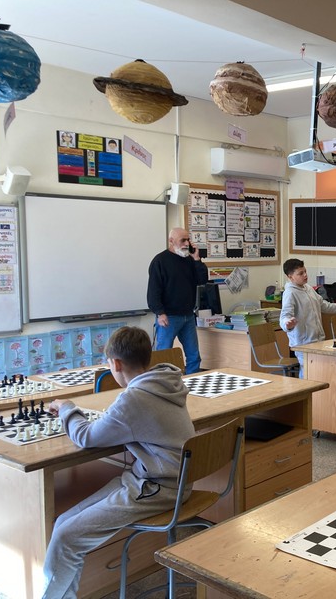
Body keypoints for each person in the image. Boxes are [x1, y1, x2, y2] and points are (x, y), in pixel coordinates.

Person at [42, 327, 194, 599]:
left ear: (116, 364)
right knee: (62, 522)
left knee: (66, 538)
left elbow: (86, 436)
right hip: (164, 480)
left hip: (160, 488)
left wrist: (67, 409)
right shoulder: (164, 382)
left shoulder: (135, 398)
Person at [147, 227, 208, 374]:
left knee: (194, 356)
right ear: (171, 241)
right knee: (163, 357)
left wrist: (197, 259)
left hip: (188, 315)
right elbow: (153, 291)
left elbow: (202, 280)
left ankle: (193, 383)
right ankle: (162, 383)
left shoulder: (189, 260)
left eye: (188, 240)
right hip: (168, 317)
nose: (187, 243)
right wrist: (160, 313)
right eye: (183, 240)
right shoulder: (160, 261)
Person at [280, 259, 336, 378]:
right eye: (300, 273)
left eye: (305, 271)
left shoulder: (308, 288)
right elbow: (285, 316)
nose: (305, 275)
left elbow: (324, 305)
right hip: (303, 343)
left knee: (319, 373)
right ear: (290, 277)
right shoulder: (290, 293)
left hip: (318, 339)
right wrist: (287, 324)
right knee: (308, 374)